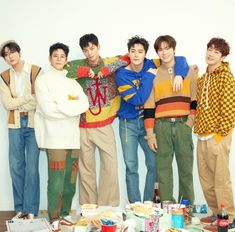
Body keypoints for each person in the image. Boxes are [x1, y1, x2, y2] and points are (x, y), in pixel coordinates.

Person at [115, 36, 190, 203]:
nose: (136, 55)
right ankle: (135, 206)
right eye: (133, 51)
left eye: (140, 51)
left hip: (149, 122)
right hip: (129, 124)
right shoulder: (122, 75)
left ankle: (148, 203)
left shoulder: (151, 64)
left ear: (145, 53)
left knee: (154, 165)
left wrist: (180, 75)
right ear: (128, 53)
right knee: (131, 166)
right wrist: (149, 76)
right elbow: (138, 99)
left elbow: (179, 59)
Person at [34, 43, 89, 231]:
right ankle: (54, 217)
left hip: (72, 137)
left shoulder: (71, 81)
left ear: (66, 60)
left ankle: (65, 213)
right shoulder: (43, 80)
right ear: (50, 58)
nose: (59, 58)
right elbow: (48, 110)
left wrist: (62, 104)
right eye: (55, 55)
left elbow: (83, 103)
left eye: (62, 56)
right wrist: (70, 108)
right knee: (56, 180)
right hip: (54, 137)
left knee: (70, 180)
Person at [65, 33, 124, 206]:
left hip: (104, 125)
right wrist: (85, 71)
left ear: (99, 47)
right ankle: (89, 208)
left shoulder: (108, 62)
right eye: (86, 50)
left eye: (92, 48)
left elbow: (127, 58)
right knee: (86, 169)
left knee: (110, 166)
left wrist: (104, 71)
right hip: (83, 125)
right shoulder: (78, 65)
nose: (89, 53)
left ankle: (108, 207)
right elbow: (64, 68)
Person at [144, 35, 197, 204]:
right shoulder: (152, 75)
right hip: (162, 126)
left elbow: (195, 100)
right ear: (157, 52)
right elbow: (149, 107)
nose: (164, 52)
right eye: (160, 49)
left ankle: (186, 207)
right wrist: (150, 135)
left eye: (167, 48)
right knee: (163, 170)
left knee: (186, 169)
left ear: (174, 49)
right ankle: (167, 207)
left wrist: (190, 122)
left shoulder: (188, 71)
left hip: (183, 125)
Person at [194, 37, 235, 231]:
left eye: (216, 52)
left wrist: (220, 136)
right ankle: (216, 213)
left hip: (218, 136)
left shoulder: (226, 76)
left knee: (220, 180)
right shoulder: (204, 78)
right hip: (202, 135)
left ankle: (229, 218)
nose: (211, 54)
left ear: (223, 56)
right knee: (206, 179)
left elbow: (229, 110)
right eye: (209, 49)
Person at [0, 40, 42, 219]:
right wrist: (26, 98)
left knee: (32, 168)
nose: (10, 57)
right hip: (14, 124)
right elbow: (7, 104)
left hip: (33, 124)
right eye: (6, 55)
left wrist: (20, 99)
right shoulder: (4, 76)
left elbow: (38, 100)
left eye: (12, 52)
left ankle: (31, 210)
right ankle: (19, 209)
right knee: (16, 166)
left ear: (19, 52)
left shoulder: (35, 71)